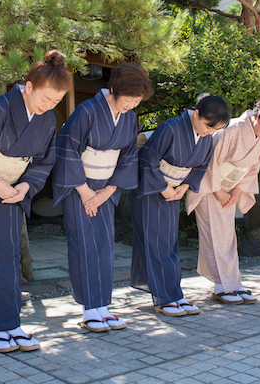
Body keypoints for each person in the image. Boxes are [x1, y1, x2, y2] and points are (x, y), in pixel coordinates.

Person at [0, 50, 72, 353]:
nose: (49, 106)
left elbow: (45, 161)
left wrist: (26, 186)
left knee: (8, 258)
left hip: (12, 192)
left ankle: (9, 322)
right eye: (45, 98)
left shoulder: (46, 121)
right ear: (29, 86)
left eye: (56, 102)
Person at [53, 62, 153, 332]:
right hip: (80, 188)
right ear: (114, 89)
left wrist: (109, 191)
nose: (131, 105)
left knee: (104, 246)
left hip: (106, 188)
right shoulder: (86, 111)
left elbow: (129, 156)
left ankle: (103, 306)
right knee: (85, 245)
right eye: (128, 99)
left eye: (136, 101)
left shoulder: (129, 119)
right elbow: (67, 149)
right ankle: (89, 310)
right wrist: (86, 192)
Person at [131, 94, 231, 316]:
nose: (208, 132)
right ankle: (165, 297)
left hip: (174, 191)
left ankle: (174, 294)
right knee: (156, 242)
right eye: (207, 126)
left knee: (168, 243)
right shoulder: (171, 127)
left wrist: (184, 188)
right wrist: (162, 186)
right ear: (196, 114)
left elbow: (201, 164)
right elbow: (148, 158)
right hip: (150, 190)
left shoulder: (206, 136)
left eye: (213, 130)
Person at [186, 100, 260, 304]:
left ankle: (232, 283)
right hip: (211, 188)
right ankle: (221, 285)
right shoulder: (231, 129)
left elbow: (253, 168)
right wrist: (219, 191)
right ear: (258, 118)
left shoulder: (259, 137)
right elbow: (208, 160)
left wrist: (237, 190)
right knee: (214, 236)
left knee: (227, 237)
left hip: (230, 189)